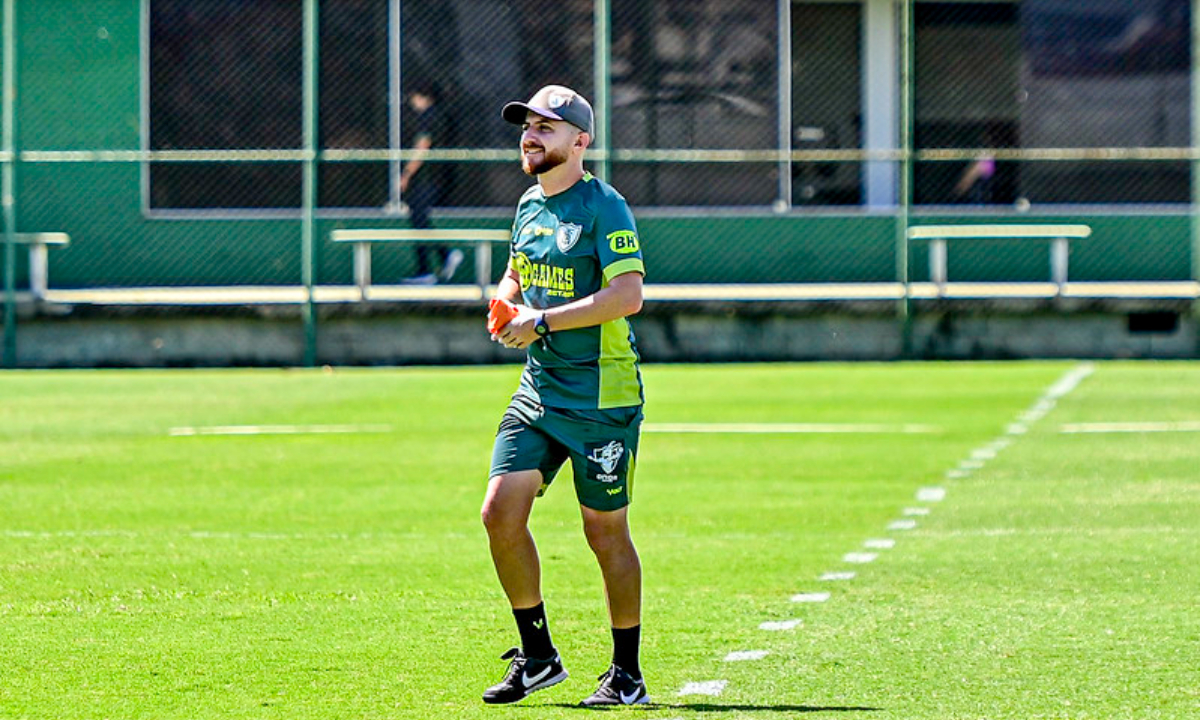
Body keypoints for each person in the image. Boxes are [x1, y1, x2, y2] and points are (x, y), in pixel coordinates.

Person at [480, 85, 649, 707]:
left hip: (602, 396)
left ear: (581, 141)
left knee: (604, 534)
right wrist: (505, 302)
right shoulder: (528, 203)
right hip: (539, 390)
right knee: (499, 513)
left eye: (547, 127)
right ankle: (538, 655)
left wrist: (542, 322)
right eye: (526, 124)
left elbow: (628, 296)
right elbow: (518, 270)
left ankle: (626, 673)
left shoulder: (606, 206)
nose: (531, 134)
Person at [399, 79, 463, 284]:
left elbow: (422, 145)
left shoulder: (429, 116)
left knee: (418, 217)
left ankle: (430, 266)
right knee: (419, 218)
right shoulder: (441, 116)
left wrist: (406, 174)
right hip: (436, 177)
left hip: (428, 178)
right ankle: (436, 261)